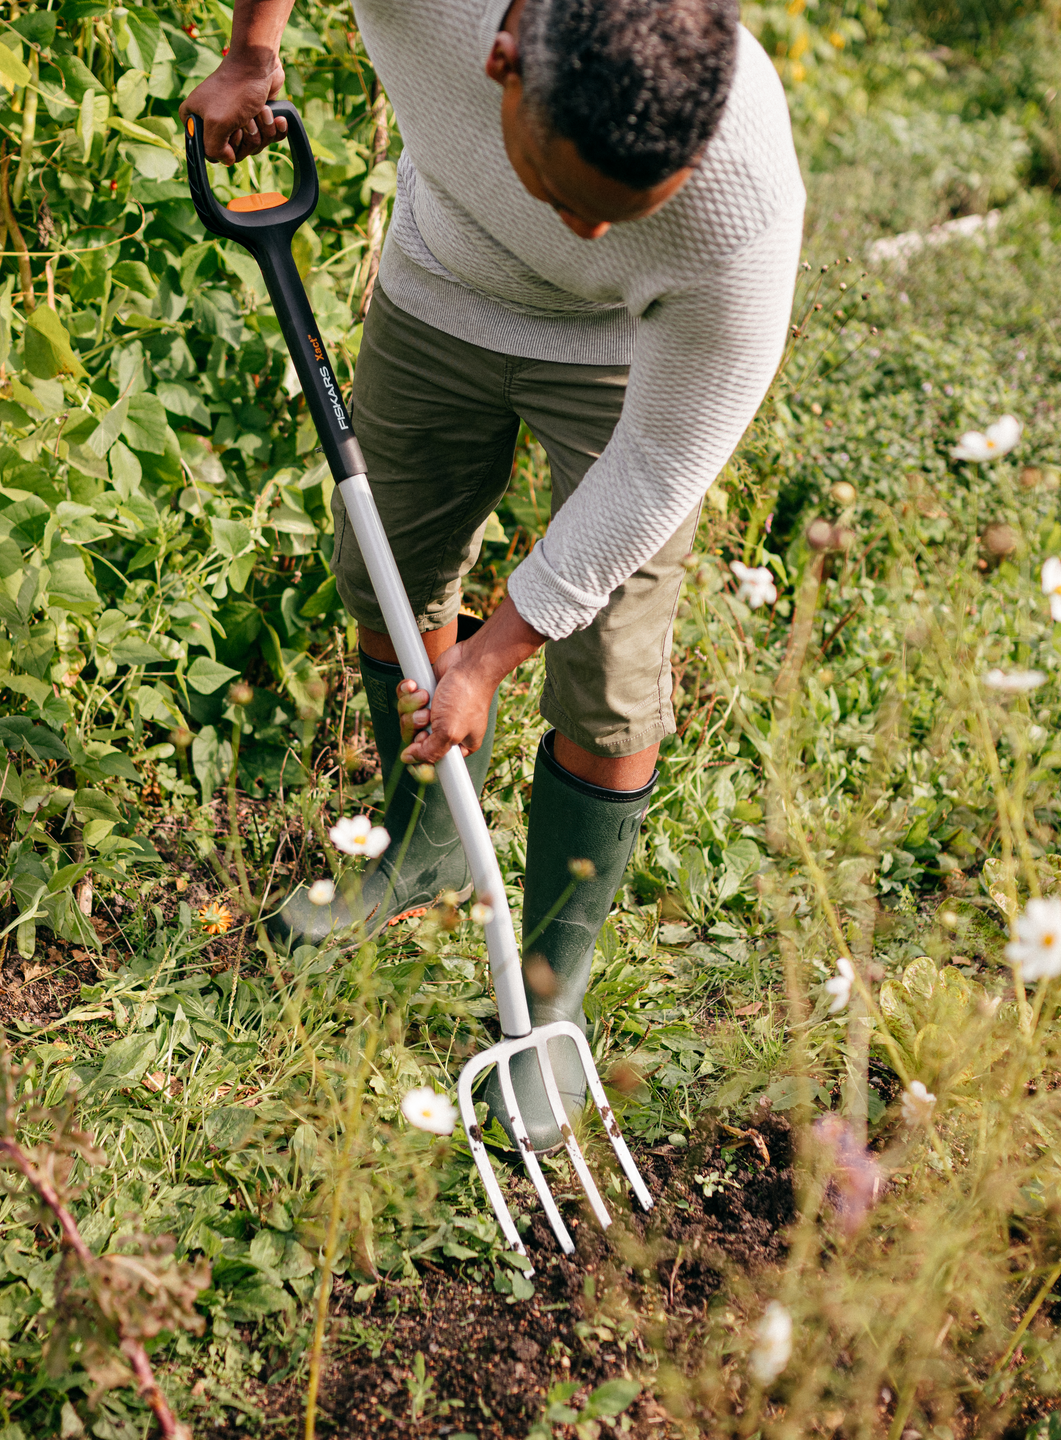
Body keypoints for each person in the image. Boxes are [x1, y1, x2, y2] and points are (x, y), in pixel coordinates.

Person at [181, 0, 804, 1152]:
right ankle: (421, 848)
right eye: (569, 194)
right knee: (391, 570)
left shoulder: (744, 203)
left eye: (626, 211)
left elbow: (661, 464)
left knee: (609, 665)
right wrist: (251, 50)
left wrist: (494, 654)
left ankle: (550, 984)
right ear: (502, 61)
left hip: (629, 356)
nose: (591, 232)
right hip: (444, 283)